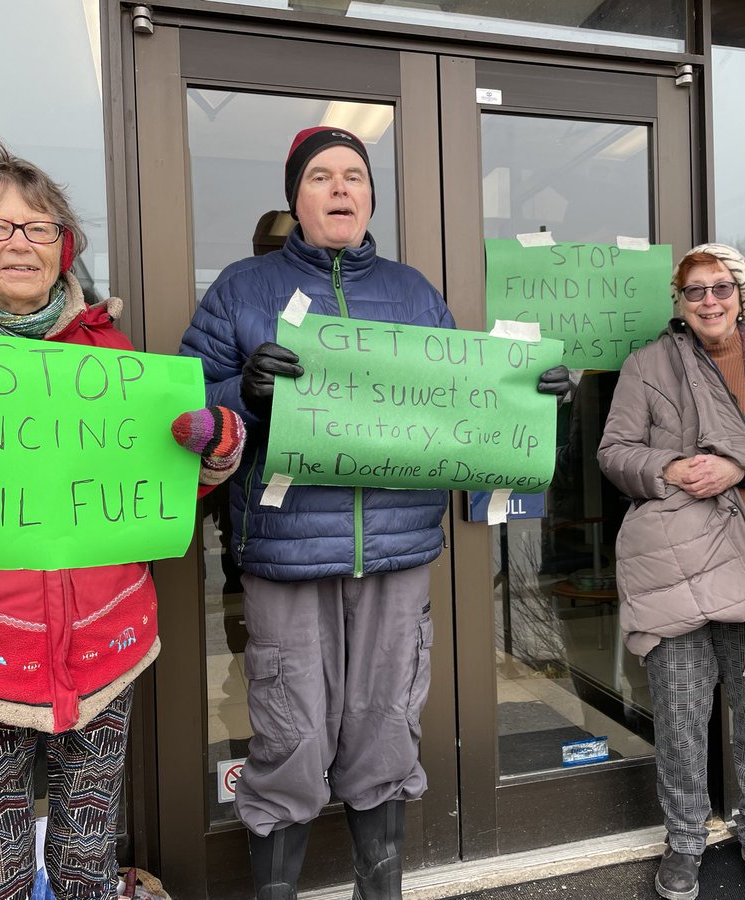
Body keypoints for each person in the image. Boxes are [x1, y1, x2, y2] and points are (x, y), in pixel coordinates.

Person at [179, 126, 569, 900]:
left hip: (396, 550)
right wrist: (240, 393)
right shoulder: (240, 289)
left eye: (354, 175)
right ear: (295, 197)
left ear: (370, 196)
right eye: (321, 176)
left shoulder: (415, 291)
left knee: (386, 722)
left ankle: (379, 888)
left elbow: (465, 410)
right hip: (287, 551)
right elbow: (184, 410)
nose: (340, 188)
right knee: (289, 730)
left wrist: (532, 398)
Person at [0, 137, 245, 900]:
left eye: (40, 228)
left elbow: (164, 489)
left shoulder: (108, 354)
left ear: (65, 248)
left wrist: (216, 449)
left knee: (88, 860)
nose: (21, 243)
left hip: (102, 649)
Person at [597, 243, 745, 900]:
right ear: (681, 300)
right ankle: (685, 840)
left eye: (720, 287)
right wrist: (668, 469)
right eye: (694, 291)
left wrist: (739, 464)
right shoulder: (648, 365)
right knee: (680, 712)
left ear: (741, 292)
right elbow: (614, 453)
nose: (708, 301)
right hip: (678, 563)